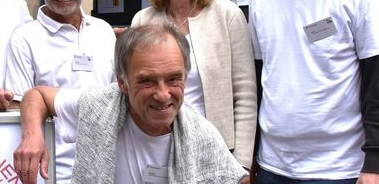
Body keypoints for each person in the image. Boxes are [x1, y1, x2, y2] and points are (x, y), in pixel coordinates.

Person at [250, 0, 379, 183]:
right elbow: (259, 80)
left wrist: (375, 162)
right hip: (273, 166)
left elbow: (377, 79)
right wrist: (252, 155)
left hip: (339, 168)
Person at [14, 23, 248, 184]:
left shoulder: (204, 138)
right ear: (122, 82)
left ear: (186, 79)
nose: (163, 94)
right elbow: (38, 95)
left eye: (173, 79)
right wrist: (32, 135)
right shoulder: (99, 108)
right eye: (147, 81)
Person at [0, 0, 116, 184]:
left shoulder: (104, 31)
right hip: (53, 173)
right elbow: (18, 107)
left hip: (107, 169)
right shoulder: (25, 38)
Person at [131, 0, 257, 170]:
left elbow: (245, 95)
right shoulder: (142, 21)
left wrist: (242, 164)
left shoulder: (227, 15)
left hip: (218, 151)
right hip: (158, 150)